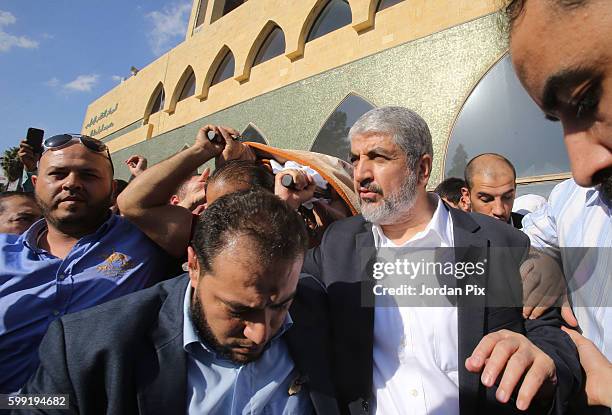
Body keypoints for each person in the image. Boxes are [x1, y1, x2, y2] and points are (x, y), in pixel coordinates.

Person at [303, 107, 581, 414]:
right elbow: (282, 278)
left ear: (422, 169)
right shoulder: (339, 244)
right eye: (356, 159)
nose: (361, 174)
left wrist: (542, 361)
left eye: (378, 157)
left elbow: (551, 338)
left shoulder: (501, 243)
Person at [20, 190, 339, 415]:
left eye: (281, 305)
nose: (261, 332)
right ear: (195, 266)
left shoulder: (318, 307)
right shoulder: (87, 347)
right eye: (238, 310)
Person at [0, 134, 172, 394]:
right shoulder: (4, 255)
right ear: (35, 184)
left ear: (113, 189)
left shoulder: (145, 241)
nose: (72, 184)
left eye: (88, 176)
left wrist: (202, 149)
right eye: (58, 174)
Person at [507, 0, 612, 409]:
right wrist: (548, 265)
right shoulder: (574, 200)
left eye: (586, 102)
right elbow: (536, 235)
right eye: (560, 120)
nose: (582, 167)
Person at [462, 153, 522, 228]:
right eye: (486, 199)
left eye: (507, 197)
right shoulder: (453, 236)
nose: (499, 211)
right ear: (467, 196)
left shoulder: (532, 233)